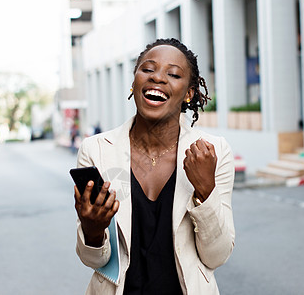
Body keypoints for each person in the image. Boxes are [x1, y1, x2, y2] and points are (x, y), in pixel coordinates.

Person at [74, 38, 235, 294]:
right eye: (147, 69)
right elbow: (95, 261)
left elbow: (216, 257)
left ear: (189, 93)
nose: (157, 78)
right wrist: (92, 231)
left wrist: (206, 191)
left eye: (173, 74)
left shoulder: (212, 153)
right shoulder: (96, 150)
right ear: (133, 82)